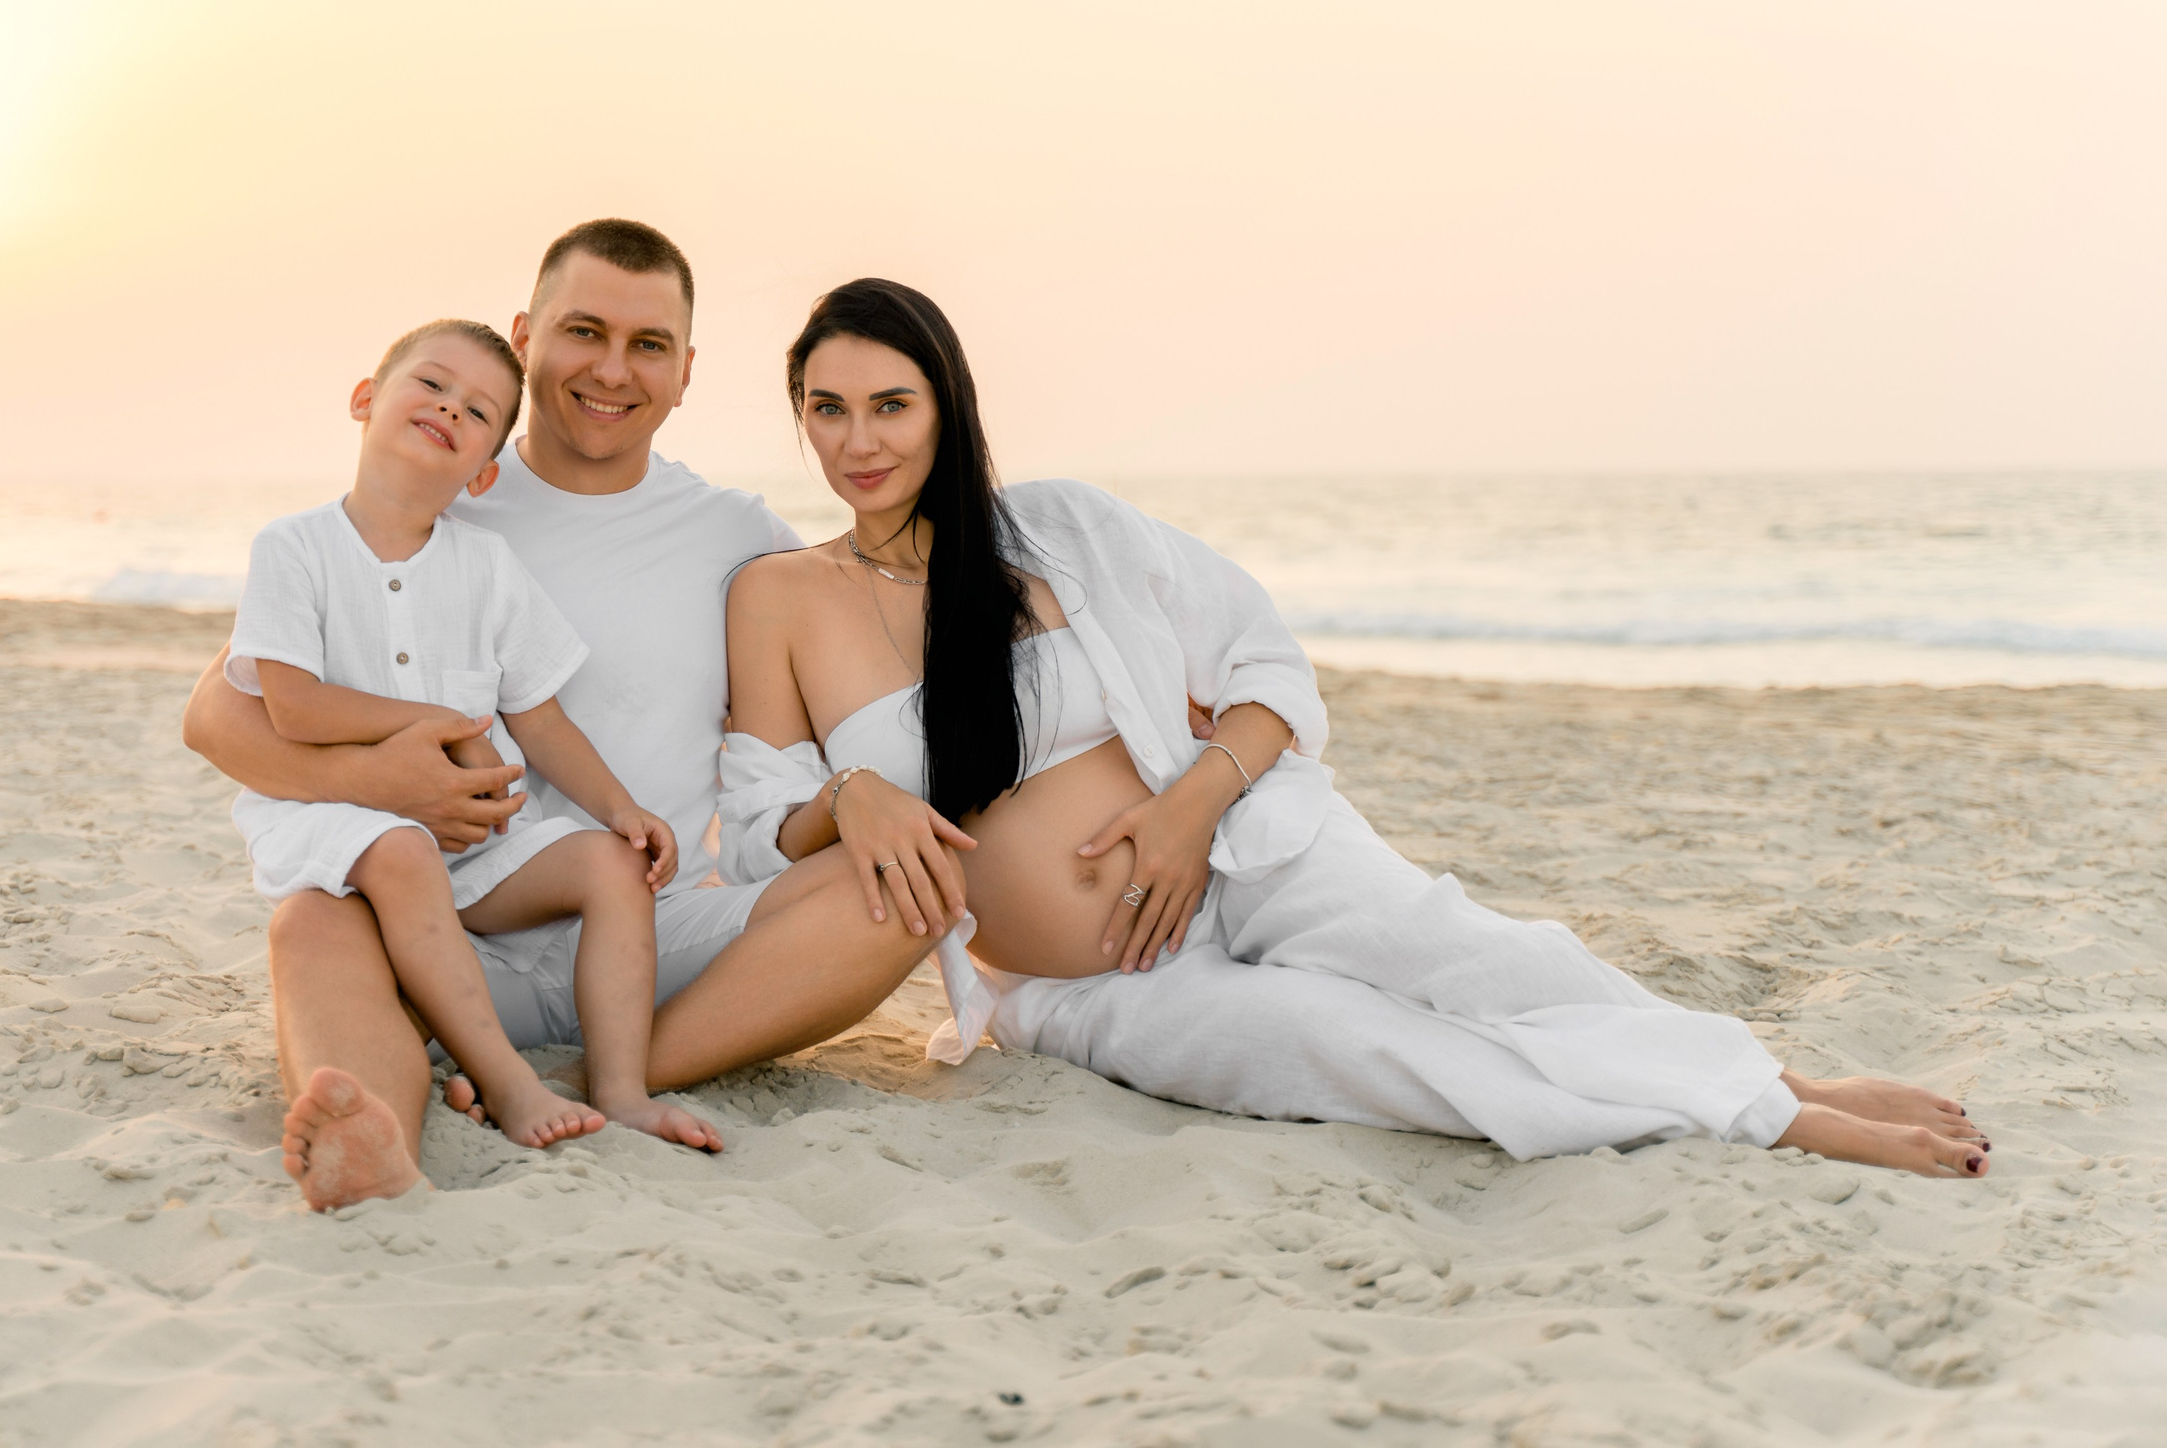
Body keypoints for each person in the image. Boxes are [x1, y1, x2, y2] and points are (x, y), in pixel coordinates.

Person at [718, 278, 1994, 1178]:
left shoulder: (1062, 529)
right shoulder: (781, 597)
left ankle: (1783, 1085)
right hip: (1097, 983)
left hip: (1237, 855)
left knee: (1494, 963)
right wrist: (852, 800)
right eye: (827, 410)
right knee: (1369, 1049)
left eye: (888, 404)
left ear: (945, 404)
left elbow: (1266, 663)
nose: (858, 442)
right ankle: (1765, 1119)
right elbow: (755, 832)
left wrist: (1188, 805)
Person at [181, 220, 941, 1209]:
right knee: (309, 921)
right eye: (583, 331)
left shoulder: (739, 538)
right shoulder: (441, 483)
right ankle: (372, 1139)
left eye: (648, 345)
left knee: (913, 887)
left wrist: (858, 791)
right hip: (440, 931)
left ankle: (590, 1082)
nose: (612, 371)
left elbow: (864, 707)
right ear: (526, 336)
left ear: (686, 371)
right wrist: (382, 782)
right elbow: (218, 718)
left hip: (653, 943)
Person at [224, 316, 708, 1152]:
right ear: (365, 400)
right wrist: (439, 725)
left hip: (473, 851)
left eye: (480, 411)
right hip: (337, 831)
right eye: (432, 385)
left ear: (484, 473)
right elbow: (294, 706)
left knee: (613, 865)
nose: (451, 408)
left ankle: (623, 1087)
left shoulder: (484, 567)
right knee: (401, 850)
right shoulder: (294, 547)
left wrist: (621, 807)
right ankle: (507, 1079)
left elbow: (539, 714)